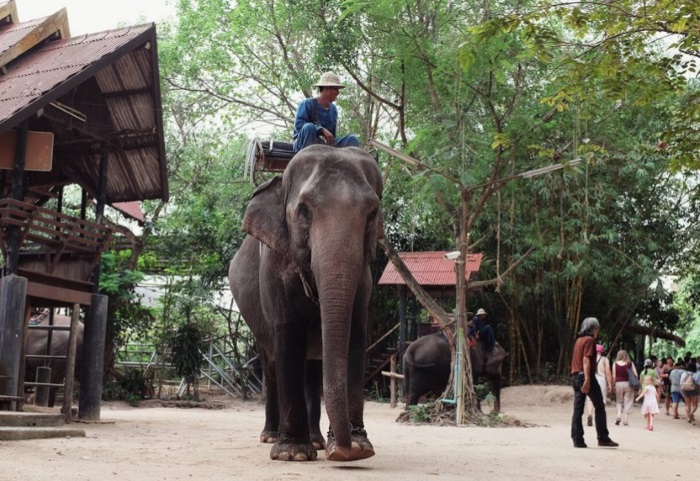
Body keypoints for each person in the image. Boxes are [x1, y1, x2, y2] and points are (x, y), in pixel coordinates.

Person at [570, 317, 618, 448]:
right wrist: (587, 379)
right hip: (585, 376)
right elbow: (586, 360)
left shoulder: (578, 340)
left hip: (575, 376)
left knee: (578, 409)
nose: (597, 332)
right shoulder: (590, 340)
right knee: (599, 405)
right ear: (593, 329)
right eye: (597, 329)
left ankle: (577, 439)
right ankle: (603, 438)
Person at [292, 72, 360, 152]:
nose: (338, 92)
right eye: (336, 89)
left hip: (324, 145)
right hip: (304, 144)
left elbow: (331, 136)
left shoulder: (334, 109)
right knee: (309, 127)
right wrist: (320, 130)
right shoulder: (306, 104)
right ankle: (309, 159)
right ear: (326, 88)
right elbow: (299, 125)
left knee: (352, 139)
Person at [585, 344, 612, 427]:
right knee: (601, 400)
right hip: (601, 381)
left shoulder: (589, 358)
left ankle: (590, 414)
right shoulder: (604, 359)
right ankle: (599, 420)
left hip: (591, 379)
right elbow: (607, 372)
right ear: (601, 351)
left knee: (589, 399)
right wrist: (610, 384)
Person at [611, 349, 637, 426]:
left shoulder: (615, 363)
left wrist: (613, 385)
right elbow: (636, 374)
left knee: (619, 401)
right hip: (628, 384)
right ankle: (625, 420)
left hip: (618, 384)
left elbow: (614, 376)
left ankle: (618, 416)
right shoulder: (630, 363)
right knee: (628, 401)